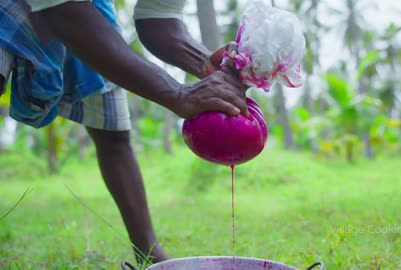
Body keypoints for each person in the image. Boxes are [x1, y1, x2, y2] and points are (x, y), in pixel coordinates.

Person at [0, 0, 247, 264]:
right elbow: (63, 10)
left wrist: (206, 64)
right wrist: (178, 93)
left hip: (89, 7)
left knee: (113, 132)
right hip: (65, 6)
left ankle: (149, 253)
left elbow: (158, 17)